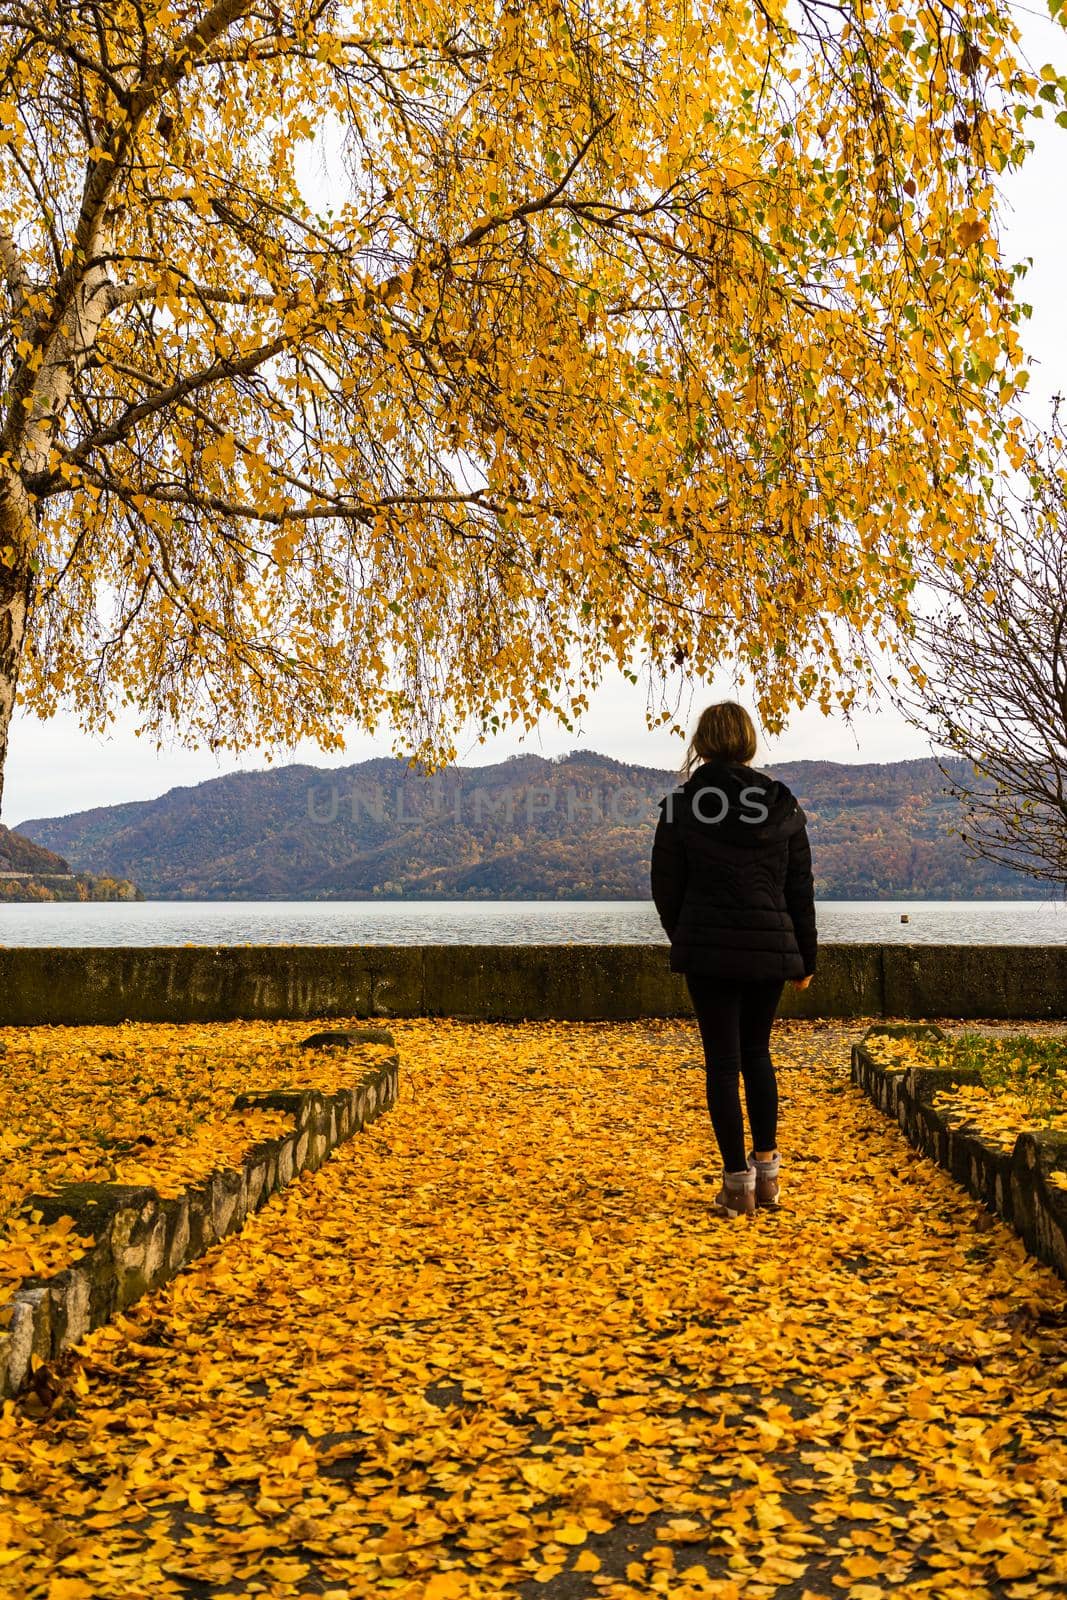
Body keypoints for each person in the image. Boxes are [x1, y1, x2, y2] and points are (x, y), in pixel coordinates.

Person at [650, 701, 817, 1218]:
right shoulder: (781, 803)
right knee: (757, 1055)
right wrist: (804, 958)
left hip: (708, 952)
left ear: (703, 744)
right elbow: (799, 888)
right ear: (747, 742)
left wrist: (687, 935)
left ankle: (737, 1184)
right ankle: (768, 1174)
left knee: (722, 1063)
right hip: (770, 950)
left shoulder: (683, 806)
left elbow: (665, 887)